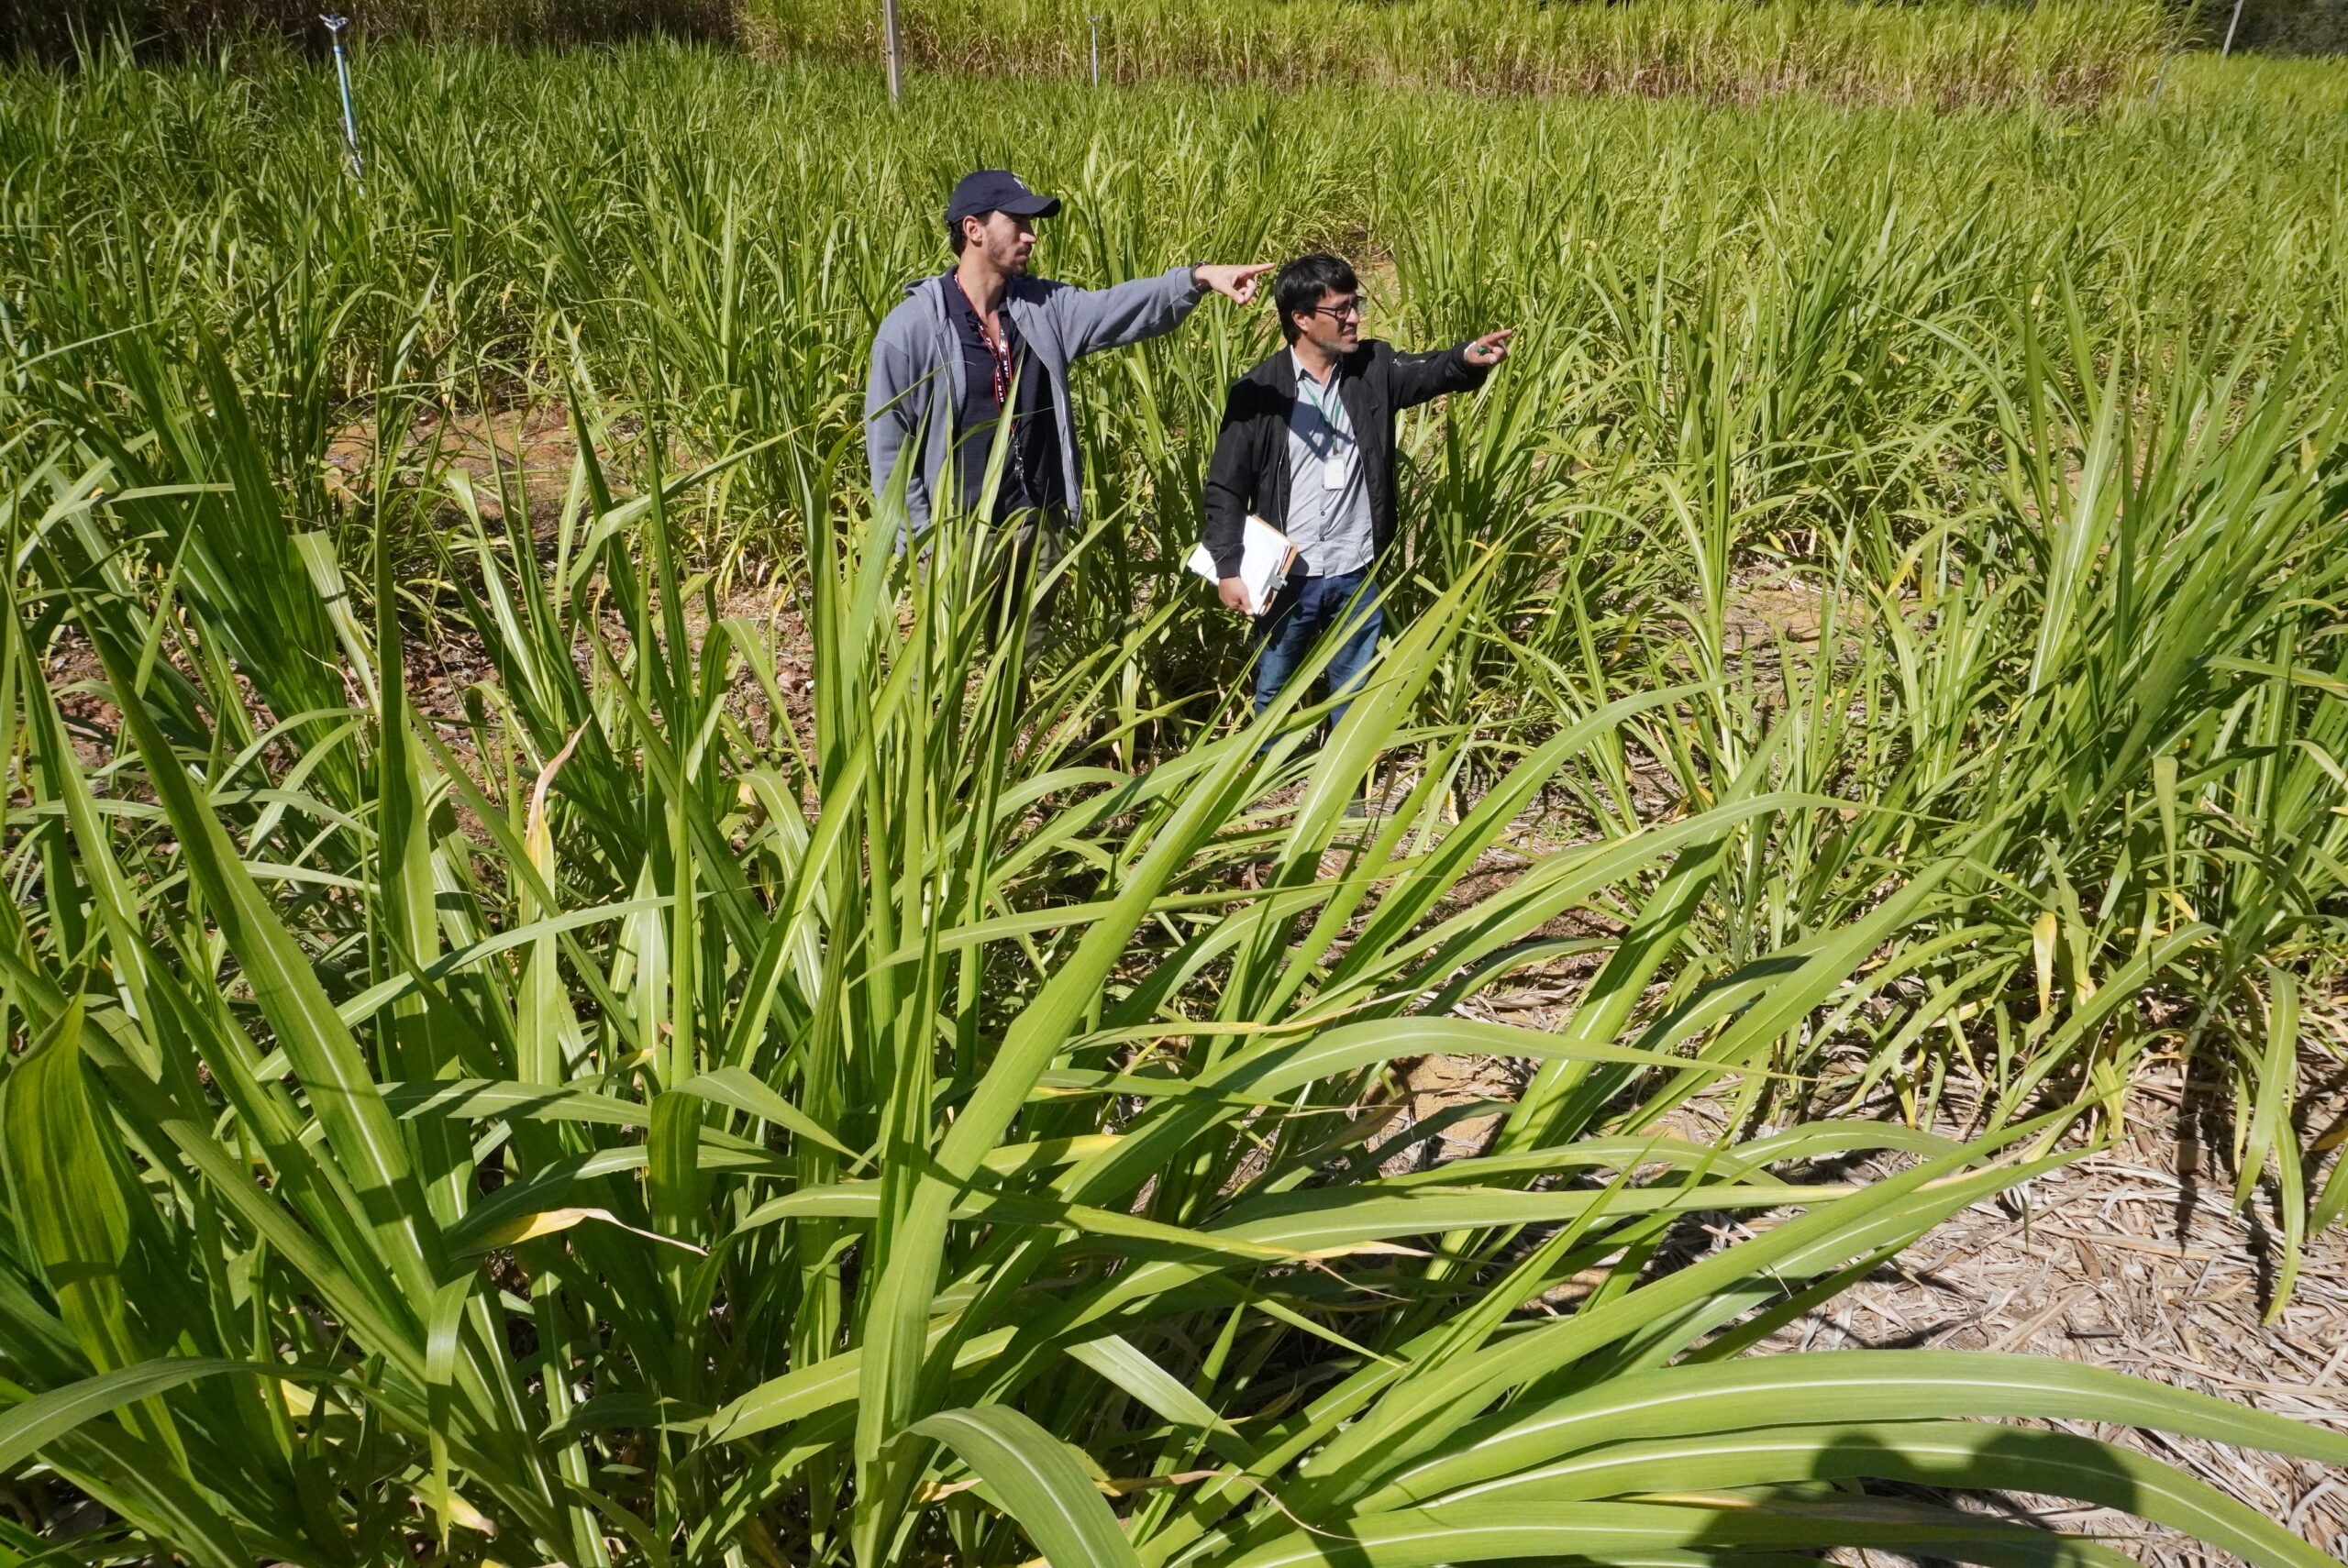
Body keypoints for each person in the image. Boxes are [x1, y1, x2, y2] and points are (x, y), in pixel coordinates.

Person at [866, 169, 1269, 647]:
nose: (1031, 235)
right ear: (973, 229)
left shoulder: (1042, 308)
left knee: (1019, 662)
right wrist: (922, 540)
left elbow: (1118, 308)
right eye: (1017, 222)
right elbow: (889, 447)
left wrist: (1197, 279)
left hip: (1035, 526)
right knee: (938, 666)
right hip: (958, 535)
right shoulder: (913, 328)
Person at [1201, 251, 1512, 736]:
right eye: (1340, 309)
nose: (1354, 318)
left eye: (1355, 305)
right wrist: (1227, 568)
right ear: (1301, 319)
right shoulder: (1259, 391)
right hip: (1288, 575)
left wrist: (1465, 358)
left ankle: (1346, 777)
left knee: (1354, 686)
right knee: (1276, 687)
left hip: (1357, 567)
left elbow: (1427, 371)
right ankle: (1266, 774)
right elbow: (1225, 485)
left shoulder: (1372, 368)